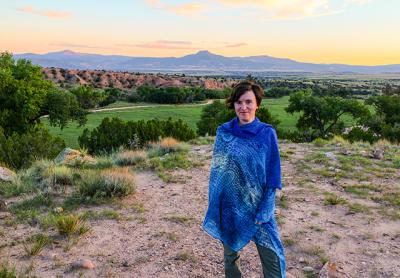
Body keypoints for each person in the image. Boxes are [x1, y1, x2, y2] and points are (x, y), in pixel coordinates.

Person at [203, 80, 286, 278]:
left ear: (257, 104)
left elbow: (273, 172)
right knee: (230, 255)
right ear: (233, 104)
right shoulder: (224, 132)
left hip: (258, 204)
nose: (243, 107)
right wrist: (217, 200)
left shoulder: (266, 134)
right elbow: (218, 171)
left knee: (272, 255)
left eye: (249, 102)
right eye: (239, 102)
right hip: (230, 203)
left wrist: (267, 206)